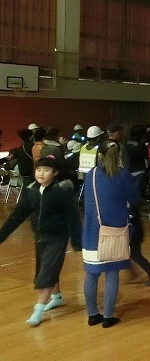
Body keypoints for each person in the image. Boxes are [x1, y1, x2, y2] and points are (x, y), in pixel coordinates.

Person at [0, 156, 82, 326]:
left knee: (46, 273)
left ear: (55, 172)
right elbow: (17, 216)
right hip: (39, 237)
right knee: (46, 268)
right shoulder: (31, 191)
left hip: (58, 237)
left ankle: (38, 310)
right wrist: (2, 235)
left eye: (46, 170)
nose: (41, 173)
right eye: (38, 169)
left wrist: (77, 241)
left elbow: (73, 216)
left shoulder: (62, 191)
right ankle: (56, 297)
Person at [82, 140, 133, 328]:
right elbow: (134, 198)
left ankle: (92, 315)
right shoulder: (123, 174)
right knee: (112, 274)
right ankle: (108, 316)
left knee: (91, 274)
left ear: (100, 155)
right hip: (115, 230)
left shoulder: (91, 174)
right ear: (118, 155)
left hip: (92, 231)